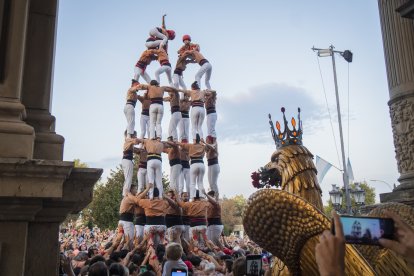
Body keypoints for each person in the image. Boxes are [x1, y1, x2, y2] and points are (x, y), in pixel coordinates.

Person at [177, 134, 207, 199]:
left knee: (192, 183)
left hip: (194, 163)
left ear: (194, 139)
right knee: (200, 182)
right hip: (201, 164)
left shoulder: (191, 145)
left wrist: (175, 141)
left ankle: (192, 197)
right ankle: (202, 197)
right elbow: (203, 155)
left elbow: (181, 144)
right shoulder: (203, 146)